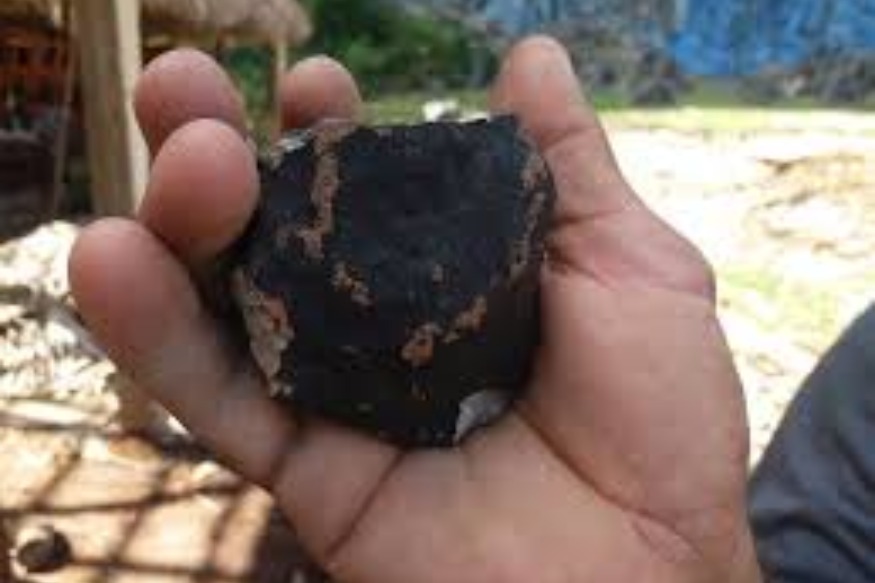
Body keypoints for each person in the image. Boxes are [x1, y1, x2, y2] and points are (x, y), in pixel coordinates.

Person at [69, 37, 764, 581]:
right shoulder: (491, 178)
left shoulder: (493, 182)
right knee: (196, 187)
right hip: (368, 377)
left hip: (390, 384)